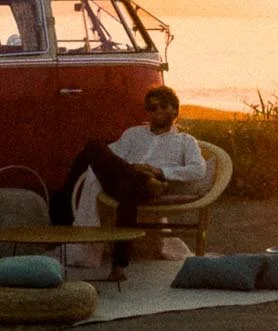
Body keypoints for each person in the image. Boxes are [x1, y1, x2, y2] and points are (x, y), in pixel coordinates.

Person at [55, 86, 209, 258]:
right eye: (152, 107)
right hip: (122, 180)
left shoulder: (185, 141)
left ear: (175, 110)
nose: (156, 111)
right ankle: (139, 175)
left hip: (144, 186)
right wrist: (133, 168)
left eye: (163, 106)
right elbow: (115, 158)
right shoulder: (133, 133)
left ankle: (119, 264)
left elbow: (198, 169)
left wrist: (159, 171)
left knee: (129, 187)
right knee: (93, 146)